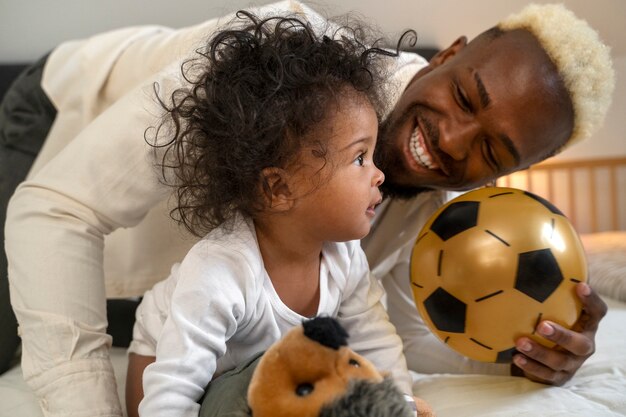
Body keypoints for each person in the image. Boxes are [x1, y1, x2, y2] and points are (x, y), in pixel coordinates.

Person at [1, 1, 613, 416]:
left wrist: (524, 353)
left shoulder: (431, 211)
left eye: (490, 149)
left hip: (171, 278)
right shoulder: (259, 63)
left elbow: (387, 331)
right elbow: (58, 210)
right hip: (56, 119)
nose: (453, 140)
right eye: (462, 97)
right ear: (448, 54)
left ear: (509, 174)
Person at [118, 10, 418, 417]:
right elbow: (171, 387)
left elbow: (374, 341)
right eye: (360, 158)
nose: (380, 174)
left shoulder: (343, 258)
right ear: (279, 189)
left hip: (261, 374)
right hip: (163, 361)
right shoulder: (221, 272)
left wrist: (396, 405)